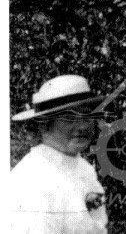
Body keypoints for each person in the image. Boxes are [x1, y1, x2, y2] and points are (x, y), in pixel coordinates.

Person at [9, 74, 108, 233]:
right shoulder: (32, 180)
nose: (82, 126)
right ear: (45, 125)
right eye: (69, 118)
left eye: (87, 115)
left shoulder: (84, 168)